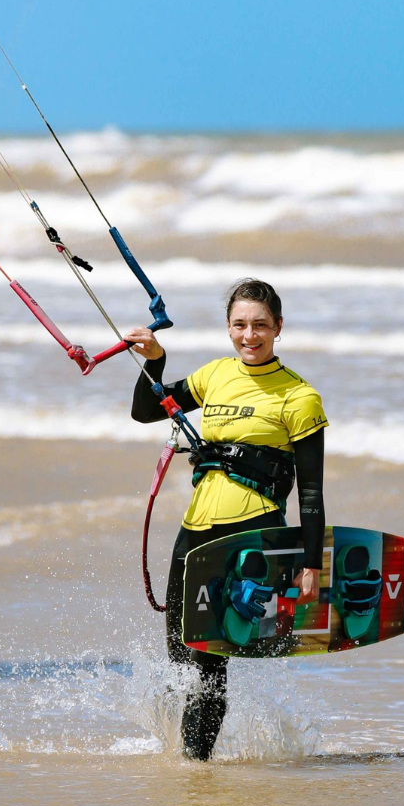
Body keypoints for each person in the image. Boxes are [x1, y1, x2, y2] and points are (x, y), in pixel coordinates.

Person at [125, 278, 328, 761]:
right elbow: (143, 411)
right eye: (239, 325)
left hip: (250, 532)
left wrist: (310, 563)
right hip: (195, 530)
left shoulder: (300, 397)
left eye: (260, 325)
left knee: (208, 656)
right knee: (180, 656)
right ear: (228, 328)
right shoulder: (215, 375)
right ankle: (192, 756)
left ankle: (196, 769)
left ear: (279, 327)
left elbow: (313, 490)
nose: (249, 335)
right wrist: (155, 360)